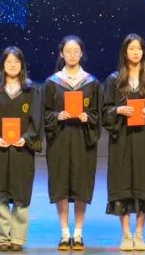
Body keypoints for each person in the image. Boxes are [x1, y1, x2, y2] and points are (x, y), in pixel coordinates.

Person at [101, 34, 145, 252]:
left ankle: (139, 233)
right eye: (131, 48)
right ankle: (126, 234)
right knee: (122, 185)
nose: (135, 52)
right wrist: (118, 110)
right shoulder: (114, 80)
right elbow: (104, 111)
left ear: (143, 52)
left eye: (139, 48)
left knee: (143, 185)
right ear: (125, 52)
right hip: (122, 139)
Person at [0, 46, 44, 252]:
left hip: (22, 150)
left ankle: (18, 237)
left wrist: (26, 138)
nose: (13, 65)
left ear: (22, 65)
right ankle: (2, 238)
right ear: (2, 65)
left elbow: (37, 120)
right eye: (9, 61)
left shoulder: (31, 90)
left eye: (17, 61)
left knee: (21, 192)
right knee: (0, 193)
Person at [43, 35, 101, 251]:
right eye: (68, 51)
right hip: (60, 140)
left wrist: (89, 117)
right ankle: (64, 233)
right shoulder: (52, 83)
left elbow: (98, 113)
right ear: (62, 54)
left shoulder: (91, 83)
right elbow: (45, 113)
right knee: (61, 186)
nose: (72, 54)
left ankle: (78, 233)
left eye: (76, 51)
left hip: (82, 140)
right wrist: (57, 116)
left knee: (81, 186)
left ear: (81, 53)